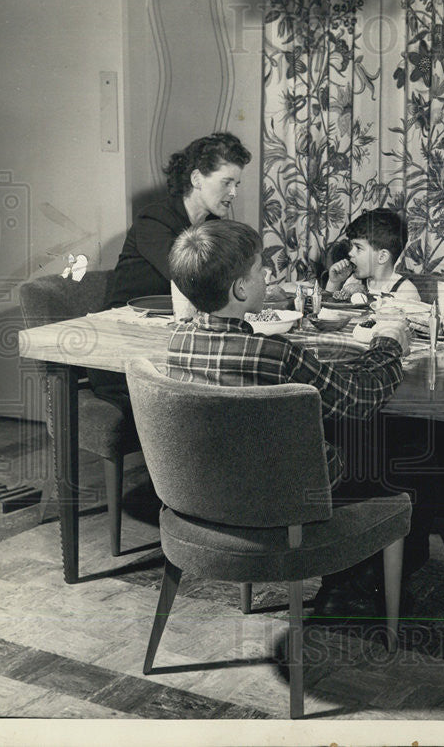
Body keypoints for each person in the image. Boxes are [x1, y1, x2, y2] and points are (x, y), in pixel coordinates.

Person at [166, 218, 415, 614]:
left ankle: (357, 577)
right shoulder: (275, 353)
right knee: (377, 441)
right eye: (258, 268)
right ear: (241, 287)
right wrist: (388, 344)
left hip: (206, 501)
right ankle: (358, 579)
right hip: (282, 501)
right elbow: (364, 399)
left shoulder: (177, 344)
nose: (266, 274)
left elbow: (328, 383)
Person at [88, 132, 252, 413]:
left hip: (173, 344)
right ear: (197, 179)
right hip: (126, 352)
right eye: (227, 182)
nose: (234, 193)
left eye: (236, 184)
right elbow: (194, 279)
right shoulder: (154, 220)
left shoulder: (212, 226)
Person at [324, 208, 421, 301]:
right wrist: (334, 283)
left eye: (358, 248)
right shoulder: (353, 282)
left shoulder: (405, 291)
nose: (350, 253)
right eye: (352, 247)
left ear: (382, 257)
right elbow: (330, 313)